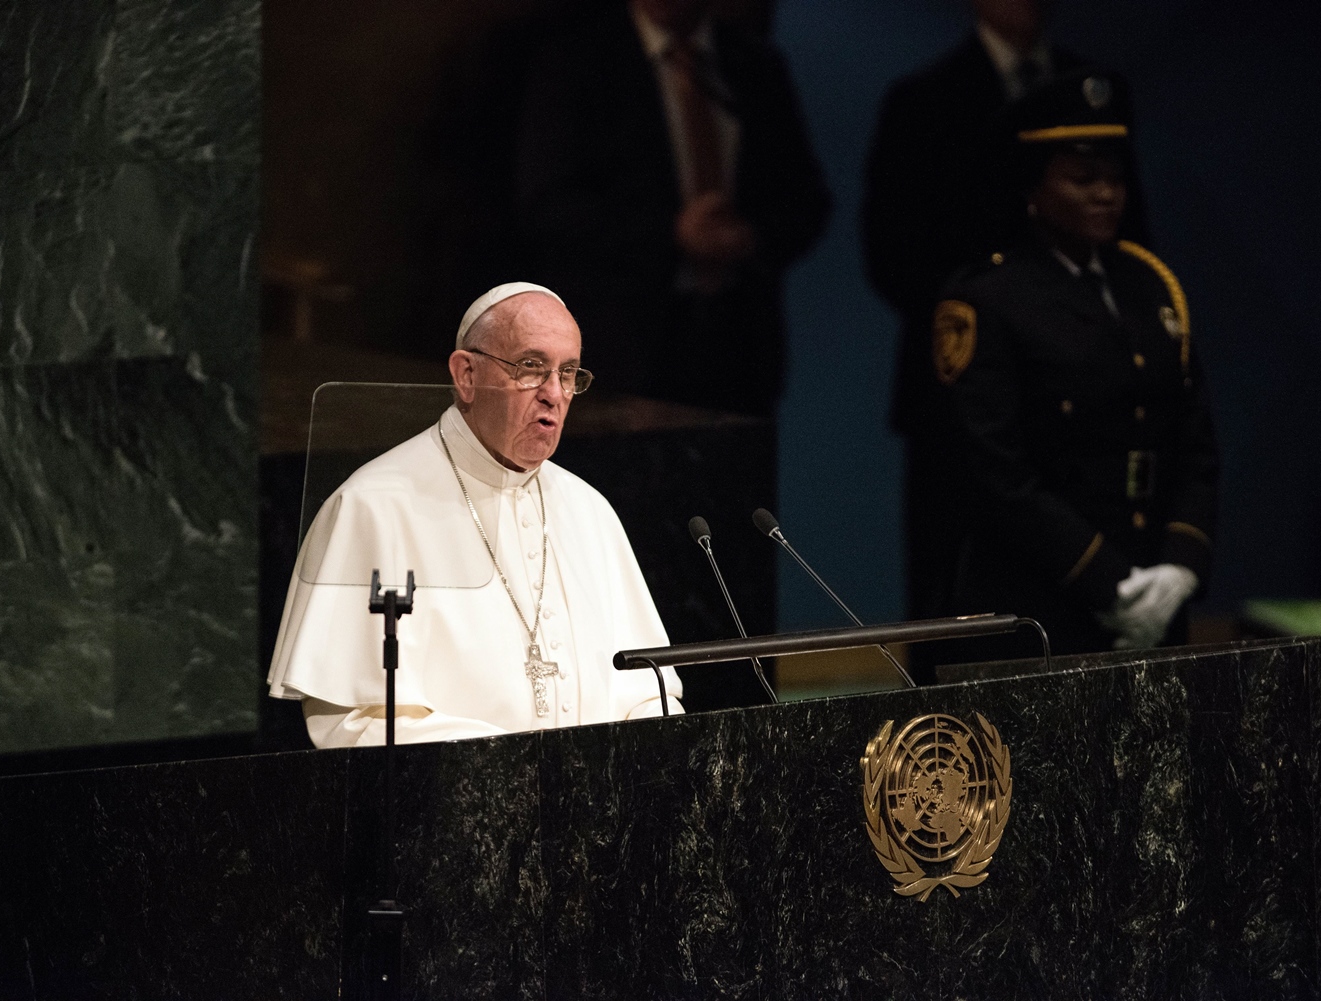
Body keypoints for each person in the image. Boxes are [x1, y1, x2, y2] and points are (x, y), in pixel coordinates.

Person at [268, 283, 683, 745]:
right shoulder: (372, 506)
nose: (553, 394)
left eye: (567, 373)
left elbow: (652, 693)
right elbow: (352, 721)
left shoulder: (589, 510)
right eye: (531, 367)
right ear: (465, 375)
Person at [861, 0, 1149, 630]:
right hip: (960, 390)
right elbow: (894, 253)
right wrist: (1008, 328)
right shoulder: (924, 99)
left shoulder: (1096, 86)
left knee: (1099, 603)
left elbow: (1130, 248)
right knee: (959, 606)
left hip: (1089, 397)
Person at [930, 70, 1218, 656]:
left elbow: (1195, 443)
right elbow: (999, 475)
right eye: (1083, 178)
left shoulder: (1150, 285)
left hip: (1155, 595)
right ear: (1034, 190)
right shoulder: (989, 298)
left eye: (1115, 177)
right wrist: (1110, 582)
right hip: (1042, 603)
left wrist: (1179, 568)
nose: (1106, 194)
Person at [514, 0, 830, 416]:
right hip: (617, 351)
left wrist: (748, 237)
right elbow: (547, 204)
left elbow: (806, 198)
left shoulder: (755, 63)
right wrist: (673, 236)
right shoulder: (577, 59)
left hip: (739, 348)